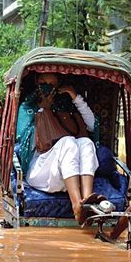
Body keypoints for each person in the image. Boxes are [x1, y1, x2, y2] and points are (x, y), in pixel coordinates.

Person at [18, 73, 99, 224]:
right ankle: (77, 207)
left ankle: (87, 202)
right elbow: (23, 141)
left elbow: (92, 125)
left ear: (58, 85)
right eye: (43, 82)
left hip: (71, 173)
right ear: (36, 82)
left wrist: (75, 97)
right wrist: (43, 110)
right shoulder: (27, 107)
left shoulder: (66, 106)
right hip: (41, 170)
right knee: (68, 142)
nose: (47, 87)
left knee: (86, 142)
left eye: (51, 83)